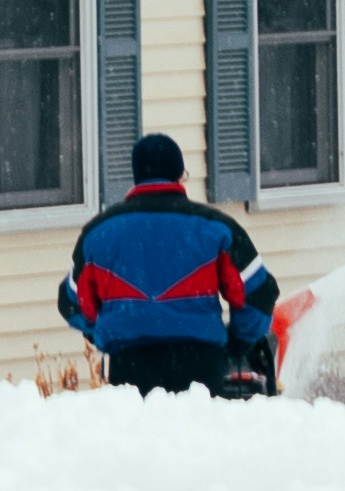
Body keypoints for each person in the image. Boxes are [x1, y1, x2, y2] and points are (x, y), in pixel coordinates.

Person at [59, 130, 285, 395]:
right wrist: (238, 342)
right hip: (202, 365)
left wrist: (100, 332)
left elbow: (72, 303)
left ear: (137, 176)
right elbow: (258, 294)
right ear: (179, 176)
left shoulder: (98, 234)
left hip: (129, 367)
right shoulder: (217, 229)